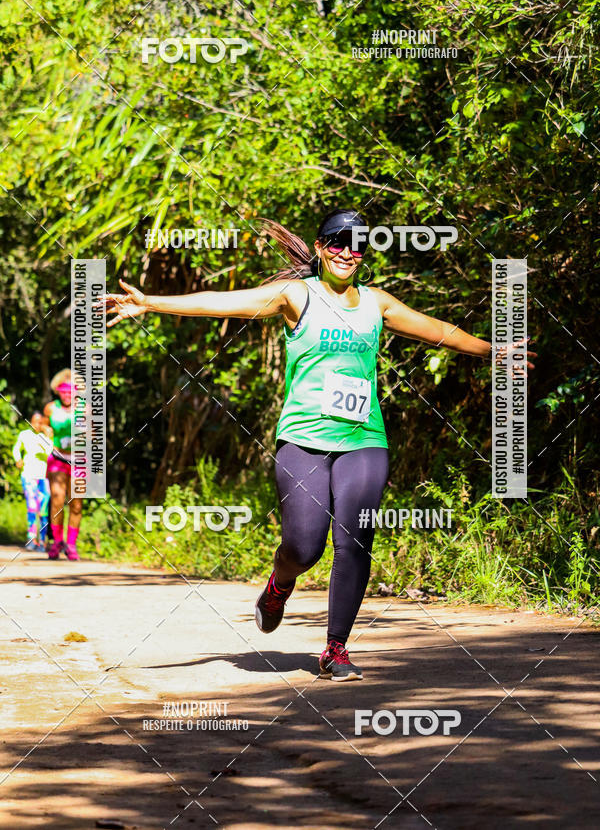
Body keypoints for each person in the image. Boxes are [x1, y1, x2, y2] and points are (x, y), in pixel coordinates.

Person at [101, 209, 535, 681]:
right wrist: (152, 303)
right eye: (337, 242)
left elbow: (437, 330)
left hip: (364, 438)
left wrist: (494, 351)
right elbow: (226, 302)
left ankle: (336, 648)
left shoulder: (376, 303)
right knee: (303, 548)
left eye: (358, 244)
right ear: (320, 246)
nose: (348, 252)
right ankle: (279, 582)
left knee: (354, 539)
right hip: (303, 440)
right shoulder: (296, 296)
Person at [43, 368, 83, 560]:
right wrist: (45, 429)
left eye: (71, 391)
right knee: (58, 498)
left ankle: (71, 544)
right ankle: (57, 541)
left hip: (79, 460)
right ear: (57, 391)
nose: (67, 394)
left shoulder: (85, 408)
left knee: (75, 504)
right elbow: (41, 424)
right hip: (58, 458)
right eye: (63, 391)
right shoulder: (51, 408)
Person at [12, 412, 53, 551]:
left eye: (40, 422)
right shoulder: (24, 435)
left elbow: (49, 452)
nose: (37, 424)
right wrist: (18, 458)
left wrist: (47, 437)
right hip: (28, 476)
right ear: (30, 422)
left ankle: (42, 541)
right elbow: (16, 448)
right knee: (31, 507)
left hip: (44, 477)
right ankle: (31, 539)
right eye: (34, 421)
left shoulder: (45, 438)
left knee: (43, 510)